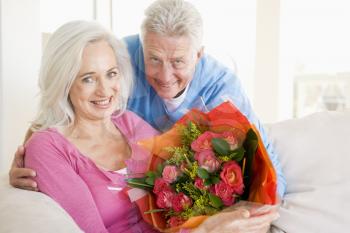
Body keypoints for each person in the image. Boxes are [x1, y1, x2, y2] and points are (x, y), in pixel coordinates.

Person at [10, 0, 285, 201]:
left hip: (185, 185)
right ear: (142, 46)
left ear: (198, 55)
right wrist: (30, 160)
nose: (165, 75)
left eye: (178, 61)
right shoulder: (118, 56)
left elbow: (262, 158)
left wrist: (267, 206)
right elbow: (60, 104)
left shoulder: (222, 87)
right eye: (153, 59)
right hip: (137, 183)